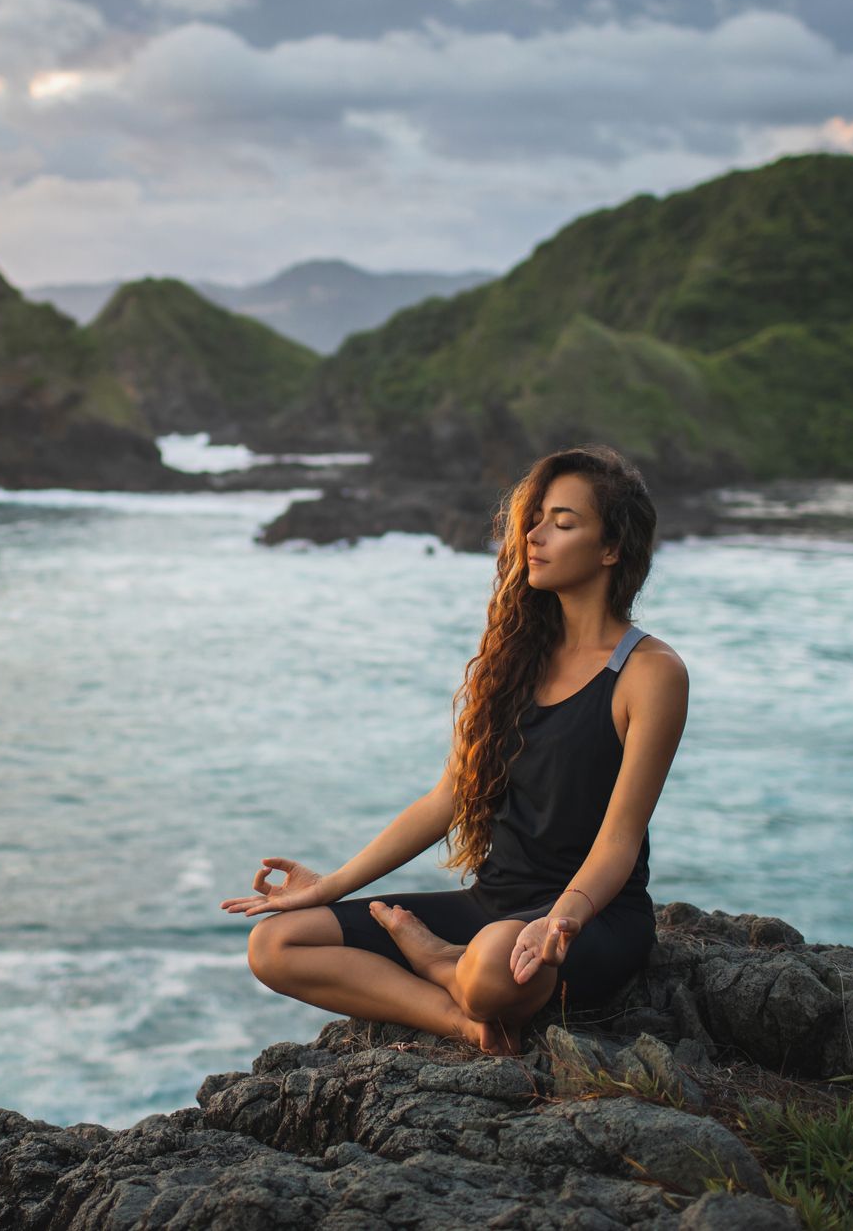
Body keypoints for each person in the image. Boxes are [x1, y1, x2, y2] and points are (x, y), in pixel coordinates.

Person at [222, 444, 688, 1056]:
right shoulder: (515, 661)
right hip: (490, 903)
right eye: (537, 518)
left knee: (496, 959)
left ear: (611, 549)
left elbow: (620, 841)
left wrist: (561, 918)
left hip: (592, 920)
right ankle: (465, 1021)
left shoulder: (651, 673)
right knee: (276, 946)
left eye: (563, 523)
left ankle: (443, 962)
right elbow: (446, 800)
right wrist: (329, 886)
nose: (536, 535)